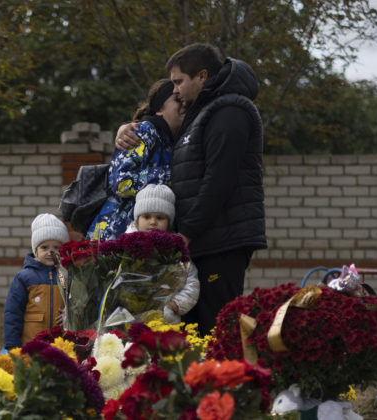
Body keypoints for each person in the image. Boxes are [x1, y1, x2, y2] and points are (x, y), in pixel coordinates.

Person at [116, 43, 267, 335]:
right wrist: (129, 127)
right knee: (193, 335)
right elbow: (164, 129)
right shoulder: (204, 111)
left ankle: (224, 380)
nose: (175, 90)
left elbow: (219, 181)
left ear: (202, 76)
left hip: (222, 241)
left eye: (178, 81)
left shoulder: (230, 111)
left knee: (216, 331)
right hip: (204, 240)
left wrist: (186, 233)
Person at [86, 78, 184, 241]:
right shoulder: (144, 131)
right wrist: (175, 173)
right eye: (177, 100)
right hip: (114, 236)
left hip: (140, 238)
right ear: (159, 108)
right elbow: (122, 182)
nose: (184, 104)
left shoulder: (170, 139)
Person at [126, 184, 199, 324]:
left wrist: (175, 305)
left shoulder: (176, 252)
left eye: (160, 218)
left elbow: (192, 283)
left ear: (169, 222)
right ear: (137, 219)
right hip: (129, 320)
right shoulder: (124, 249)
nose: (153, 222)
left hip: (166, 322)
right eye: (146, 216)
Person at [3, 213, 69, 349]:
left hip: (61, 347)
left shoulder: (68, 276)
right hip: (30, 346)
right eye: (44, 247)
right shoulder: (24, 277)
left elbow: (77, 305)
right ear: (35, 250)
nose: (50, 252)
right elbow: (13, 313)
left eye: (56, 248)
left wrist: (69, 314)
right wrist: (12, 345)